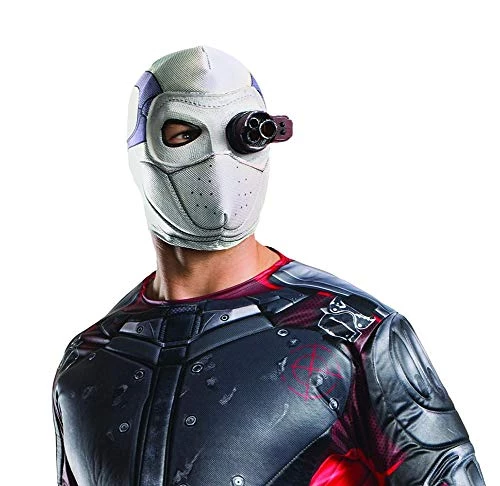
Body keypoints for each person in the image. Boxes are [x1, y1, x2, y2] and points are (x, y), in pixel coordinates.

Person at [51, 46, 485, 486]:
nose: (217, 161)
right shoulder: (90, 360)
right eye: (185, 134)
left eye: (238, 135)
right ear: (141, 149)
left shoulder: (352, 336)